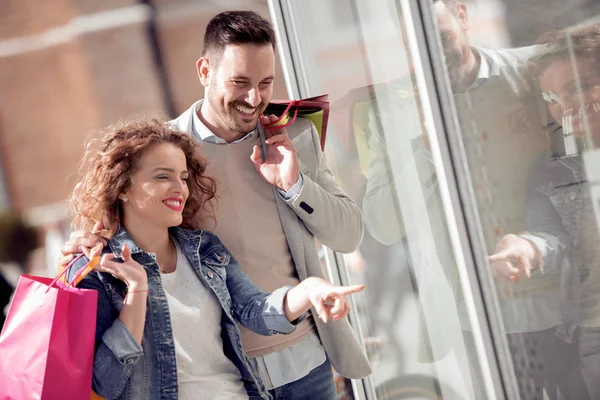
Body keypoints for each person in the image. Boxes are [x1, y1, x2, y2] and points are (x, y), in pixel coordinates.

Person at [60, 10, 371, 399]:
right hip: (225, 373)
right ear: (205, 70)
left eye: (265, 83)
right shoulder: (165, 153)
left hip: (305, 358)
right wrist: (89, 240)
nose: (254, 99)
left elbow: (349, 234)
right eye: (239, 82)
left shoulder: (294, 137)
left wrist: (295, 184)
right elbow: (118, 219)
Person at [66, 118, 365, 400]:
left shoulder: (203, 249)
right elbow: (104, 383)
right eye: (162, 177)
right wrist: (137, 294)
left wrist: (310, 290)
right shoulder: (97, 270)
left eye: (183, 177)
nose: (179, 188)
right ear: (124, 187)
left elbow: (253, 310)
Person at [361, 1, 559, 398]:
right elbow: (381, 225)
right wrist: (426, 150)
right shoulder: (390, 112)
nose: (434, 53)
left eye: (444, 36)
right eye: (419, 43)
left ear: (463, 17)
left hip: (558, 301)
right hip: (479, 322)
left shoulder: (530, 75)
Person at [490, 24, 600, 399]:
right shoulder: (551, 168)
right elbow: (550, 236)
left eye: (576, 87)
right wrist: (525, 247)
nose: (564, 106)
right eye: (552, 96)